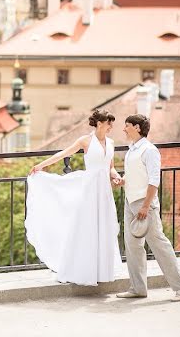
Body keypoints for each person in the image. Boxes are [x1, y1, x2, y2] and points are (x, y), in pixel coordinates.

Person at [25, 109, 122, 286]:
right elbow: (63, 154)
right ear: (100, 123)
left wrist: (116, 176)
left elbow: (110, 167)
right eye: (109, 123)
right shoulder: (85, 140)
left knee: (103, 228)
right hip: (90, 189)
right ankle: (82, 270)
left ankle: (100, 271)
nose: (111, 127)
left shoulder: (111, 143)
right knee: (86, 228)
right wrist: (41, 165)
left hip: (104, 192)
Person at [116, 114, 180, 301]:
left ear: (137, 128)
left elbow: (154, 180)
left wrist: (145, 206)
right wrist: (123, 180)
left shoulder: (149, 150)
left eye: (127, 126)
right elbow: (137, 173)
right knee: (133, 247)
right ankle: (137, 288)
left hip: (144, 204)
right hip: (130, 201)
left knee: (158, 244)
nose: (124, 129)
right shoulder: (132, 150)